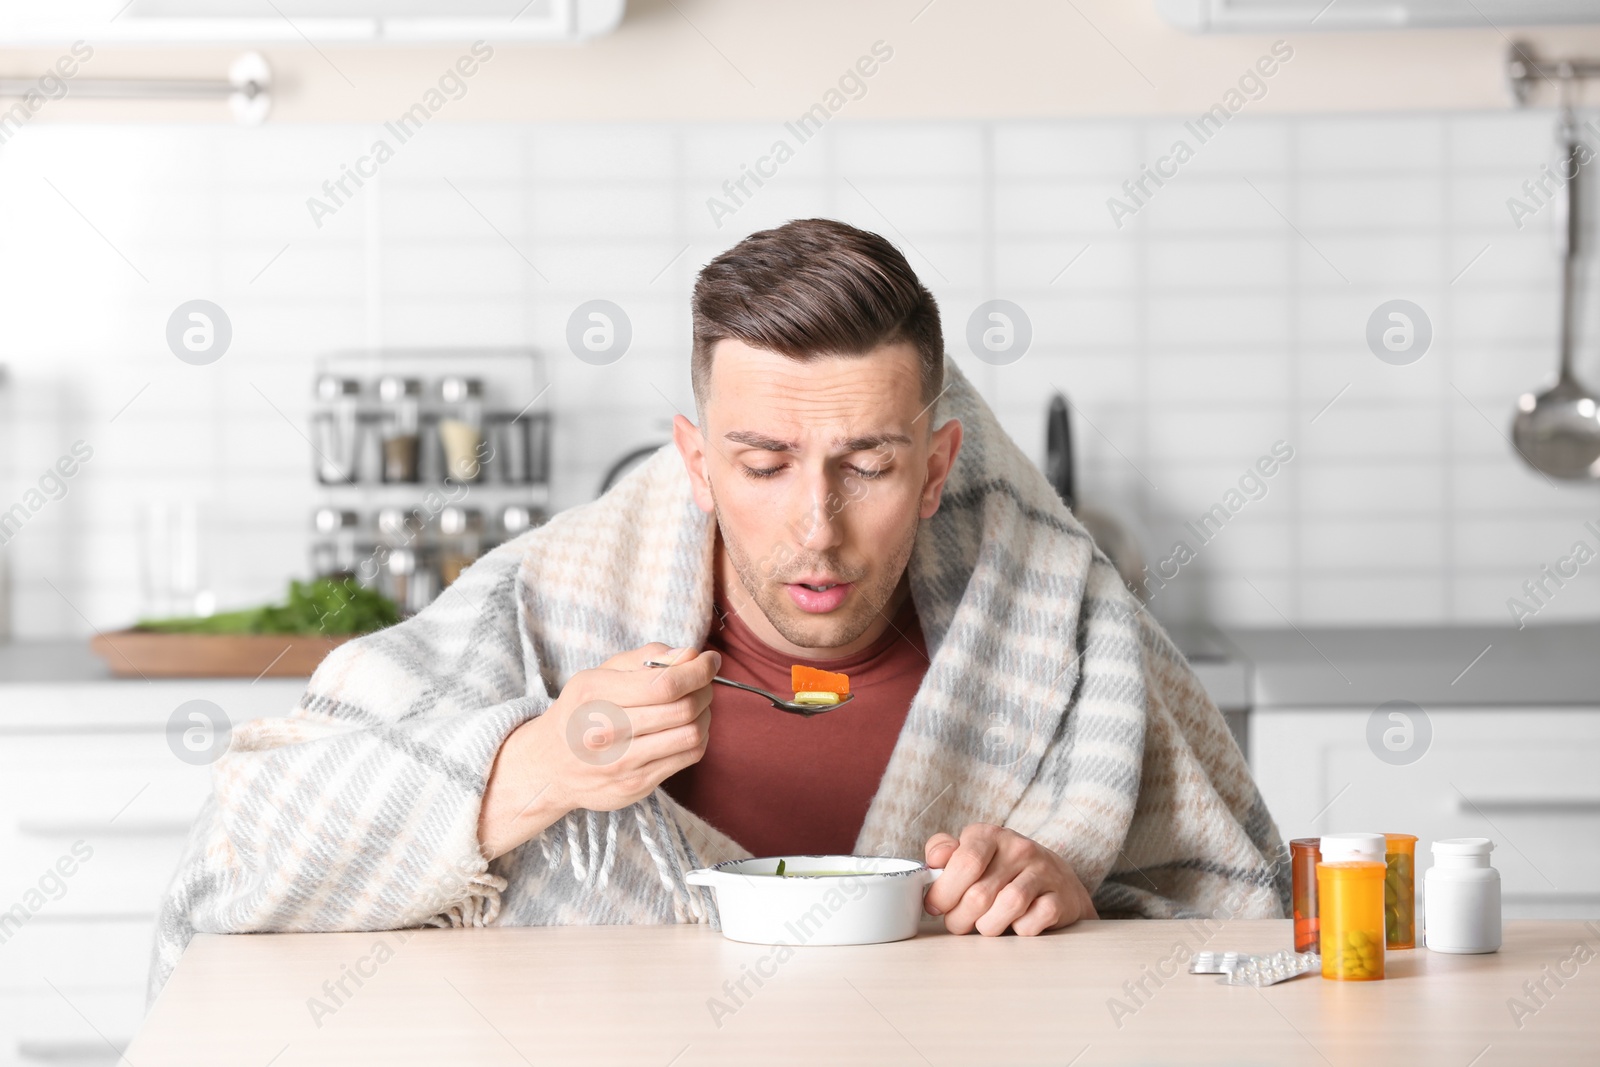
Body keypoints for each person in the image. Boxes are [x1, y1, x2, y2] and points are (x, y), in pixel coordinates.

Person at [148, 218, 1289, 1002]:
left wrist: (1075, 895)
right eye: (763, 461)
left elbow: (1240, 918)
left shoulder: (1065, 624)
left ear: (937, 466)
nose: (815, 528)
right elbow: (239, 857)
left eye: (869, 465)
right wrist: (535, 763)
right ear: (694, 462)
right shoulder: (543, 610)